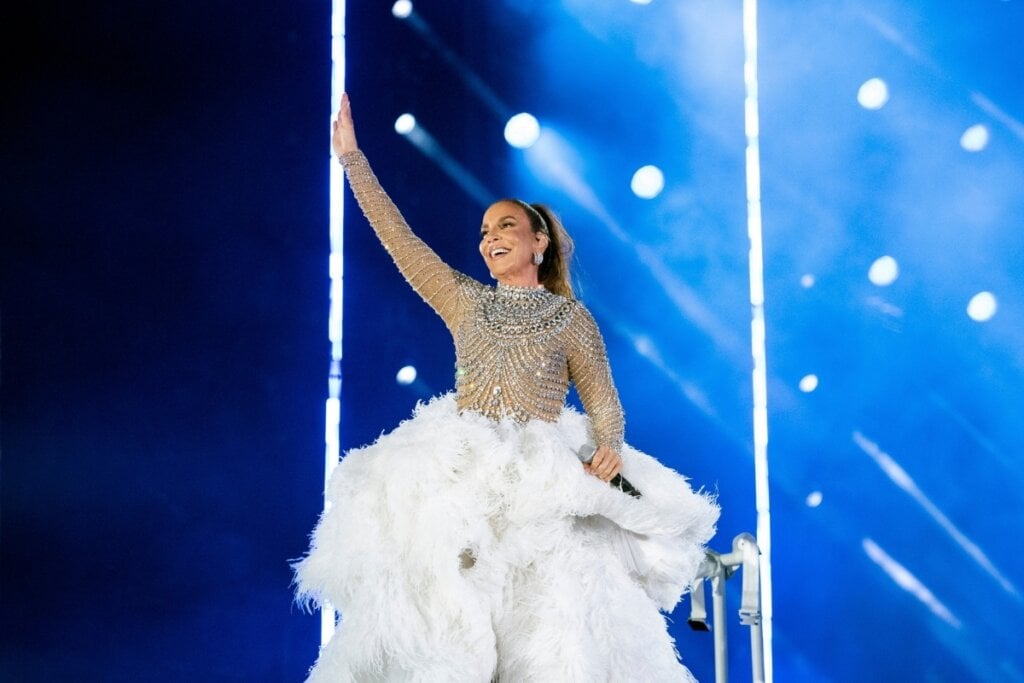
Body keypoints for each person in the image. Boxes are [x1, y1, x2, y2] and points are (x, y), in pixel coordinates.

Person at [293, 93, 720, 682]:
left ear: (538, 242)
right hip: (461, 468)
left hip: (543, 477)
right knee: (440, 611)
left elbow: (602, 400)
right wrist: (354, 160)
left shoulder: (571, 319)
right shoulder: (465, 300)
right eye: (485, 230)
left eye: (506, 226)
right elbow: (401, 241)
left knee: (548, 623)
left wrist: (609, 445)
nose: (490, 237)